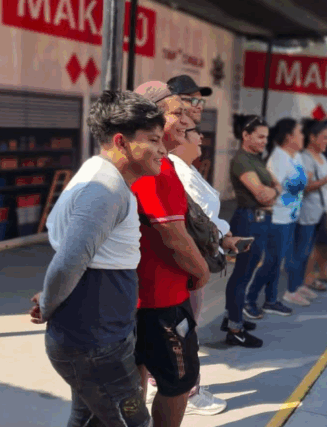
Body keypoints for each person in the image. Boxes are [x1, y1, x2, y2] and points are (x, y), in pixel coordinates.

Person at [30, 90, 165, 427]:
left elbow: (78, 258)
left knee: (88, 420)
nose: (162, 149)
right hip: (95, 346)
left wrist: (51, 298)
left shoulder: (99, 175)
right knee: (135, 422)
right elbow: (69, 262)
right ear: (121, 141)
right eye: (153, 139)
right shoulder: (104, 190)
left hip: (96, 340)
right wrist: (48, 302)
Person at [130, 81, 211, 427]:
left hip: (149, 295)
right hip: (158, 299)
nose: (185, 119)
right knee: (177, 382)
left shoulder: (161, 165)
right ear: (152, 120)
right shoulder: (155, 169)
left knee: (137, 376)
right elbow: (173, 235)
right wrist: (202, 271)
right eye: (177, 112)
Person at [168, 126, 237, 416]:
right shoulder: (177, 171)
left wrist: (223, 235)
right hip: (188, 259)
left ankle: (178, 386)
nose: (200, 138)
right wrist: (220, 236)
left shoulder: (186, 169)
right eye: (191, 131)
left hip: (197, 255)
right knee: (184, 329)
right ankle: (188, 391)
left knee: (182, 327)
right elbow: (197, 220)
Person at [224, 114, 279, 348]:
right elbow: (262, 194)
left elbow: (276, 188)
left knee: (245, 273)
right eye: (260, 136)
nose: (264, 141)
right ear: (245, 135)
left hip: (259, 220)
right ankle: (235, 327)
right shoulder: (242, 160)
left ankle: (233, 318)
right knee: (242, 274)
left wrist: (273, 191)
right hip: (248, 220)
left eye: (266, 137)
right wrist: (273, 190)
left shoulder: (255, 160)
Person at [244, 118, 307, 318]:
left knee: (276, 261)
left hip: (289, 218)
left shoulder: (295, 157)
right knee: (271, 262)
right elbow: (271, 190)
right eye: (300, 132)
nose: (303, 136)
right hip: (276, 218)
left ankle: (271, 300)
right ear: (289, 136)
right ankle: (249, 299)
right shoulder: (278, 159)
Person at [286, 120, 327, 302]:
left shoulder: (322, 157)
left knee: (310, 250)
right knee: (301, 252)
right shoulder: (305, 158)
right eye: (324, 138)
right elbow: (307, 186)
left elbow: (326, 186)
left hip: (321, 211)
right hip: (307, 212)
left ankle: (300, 285)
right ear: (312, 137)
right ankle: (292, 289)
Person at [167, 74, 213, 177]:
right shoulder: (165, 136)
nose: (200, 107)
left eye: (201, 101)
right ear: (175, 100)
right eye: (194, 101)